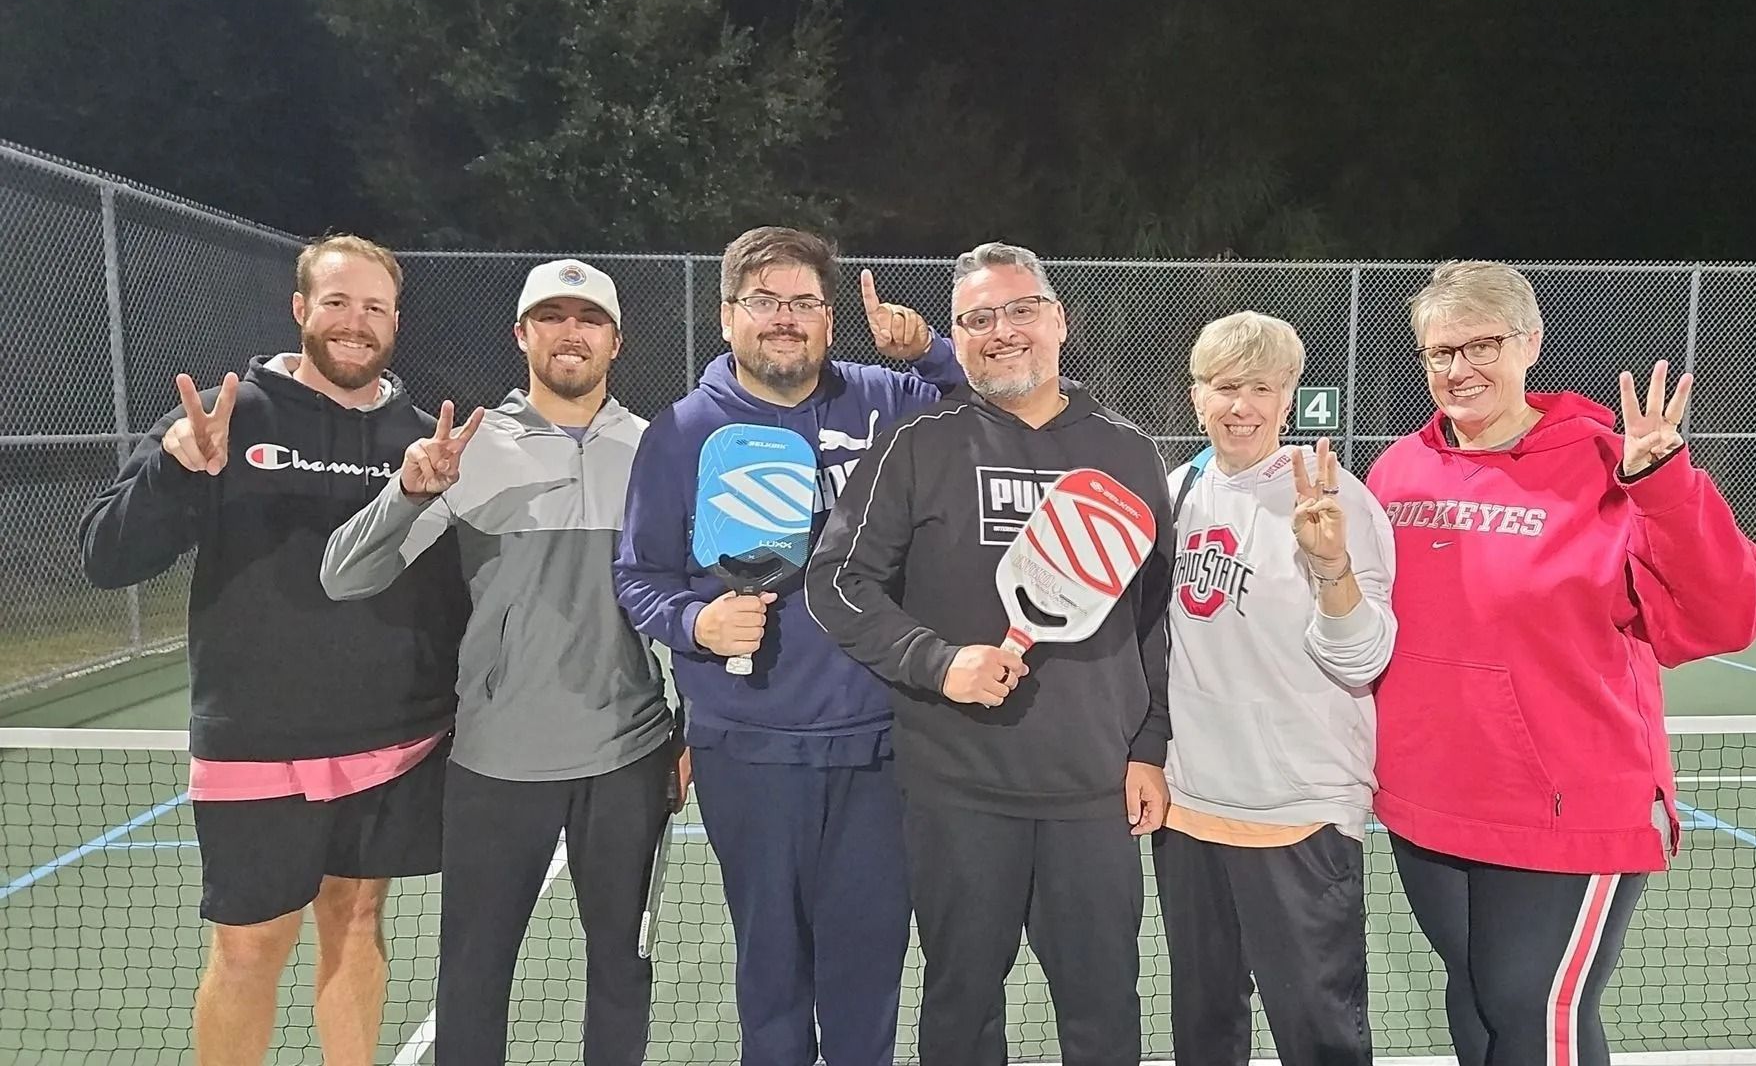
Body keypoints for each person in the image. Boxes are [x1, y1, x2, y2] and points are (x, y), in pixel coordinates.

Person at [1364, 261, 1756, 1066]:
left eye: (1480, 345)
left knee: (1533, 1010)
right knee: (1477, 998)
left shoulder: (1609, 463)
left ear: (1530, 344)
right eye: (1438, 352)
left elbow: (1730, 615)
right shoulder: (1395, 472)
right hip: (1431, 802)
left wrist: (1664, 487)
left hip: (1566, 807)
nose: (1458, 369)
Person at [77, 235, 464, 1066]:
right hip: (257, 742)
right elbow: (107, 556)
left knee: (358, 922)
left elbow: (445, 589)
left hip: (388, 742)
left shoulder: (415, 437)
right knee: (250, 950)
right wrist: (176, 471)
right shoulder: (229, 415)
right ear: (299, 310)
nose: (356, 324)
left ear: (396, 321)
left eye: (375, 308)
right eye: (337, 302)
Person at [807, 241, 1175, 1066]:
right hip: (957, 792)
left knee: (1104, 1011)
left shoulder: (1127, 450)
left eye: (1018, 311)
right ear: (958, 336)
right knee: (961, 1011)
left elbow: (1154, 619)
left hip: (1092, 793)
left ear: (1057, 321)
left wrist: (1148, 747)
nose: (1001, 332)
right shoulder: (916, 444)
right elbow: (836, 583)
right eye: (978, 319)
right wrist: (939, 661)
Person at [612, 225, 963, 1065]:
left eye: (805, 302)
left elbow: (981, 416)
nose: (785, 318)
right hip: (749, 750)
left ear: (829, 319)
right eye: (764, 301)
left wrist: (936, 352)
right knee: (771, 973)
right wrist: (696, 624)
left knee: (869, 967)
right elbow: (638, 577)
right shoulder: (682, 432)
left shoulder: (888, 400)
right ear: (728, 316)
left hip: (882, 744)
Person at [321, 259, 677, 1066]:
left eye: (587, 319)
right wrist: (408, 493)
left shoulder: (658, 451)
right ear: (522, 335)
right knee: (474, 978)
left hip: (627, 759)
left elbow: (690, 600)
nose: (569, 332)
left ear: (615, 342)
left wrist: (687, 732)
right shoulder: (465, 451)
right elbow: (345, 576)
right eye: (550, 316)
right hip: (495, 763)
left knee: (624, 970)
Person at [1157, 312, 1395, 1065]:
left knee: (1319, 1032)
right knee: (1204, 1030)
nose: (1242, 406)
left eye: (1263, 388)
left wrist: (1330, 567)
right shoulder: (1176, 492)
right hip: (1191, 809)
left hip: (1299, 810)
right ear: (1196, 396)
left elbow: (1362, 660)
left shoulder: (1333, 498)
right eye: (1226, 387)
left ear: (1290, 398)